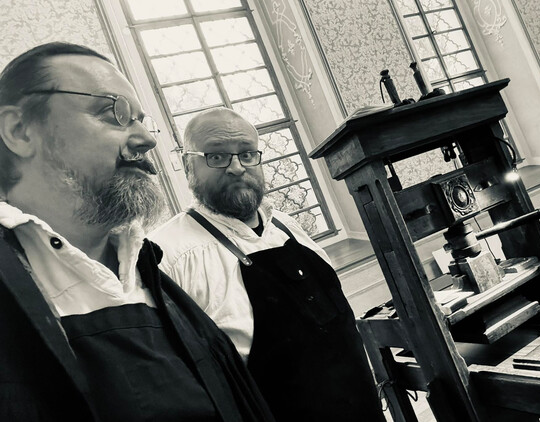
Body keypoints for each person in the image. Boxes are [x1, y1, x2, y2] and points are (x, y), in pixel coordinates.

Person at [0, 42, 275, 422]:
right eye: (114, 113)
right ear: (20, 131)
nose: (148, 139)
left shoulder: (152, 271)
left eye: (142, 120)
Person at [150, 107, 386, 422]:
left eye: (247, 154)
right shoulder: (167, 256)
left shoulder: (288, 227)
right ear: (187, 164)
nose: (237, 168)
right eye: (217, 157)